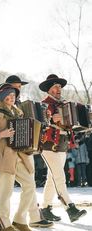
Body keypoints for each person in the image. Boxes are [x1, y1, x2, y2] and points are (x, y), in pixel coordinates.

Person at [0, 75, 52, 230]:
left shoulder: (19, 113)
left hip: (19, 156)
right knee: (6, 192)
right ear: (2, 97)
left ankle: (20, 219)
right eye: (9, 95)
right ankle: (3, 224)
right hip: (4, 157)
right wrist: (0, 135)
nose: (12, 98)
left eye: (14, 95)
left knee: (29, 184)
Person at [39, 74, 87, 222]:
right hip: (48, 145)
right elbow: (38, 123)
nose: (58, 89)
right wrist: (50, 119)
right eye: (55, 86)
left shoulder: (66, 104)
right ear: (49, 89)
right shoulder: (43, 104)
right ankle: (70, 208)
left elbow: (74, 122)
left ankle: (45, 209)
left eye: (59, 86)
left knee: (52, 178)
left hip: (63, 144)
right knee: (59, 177)